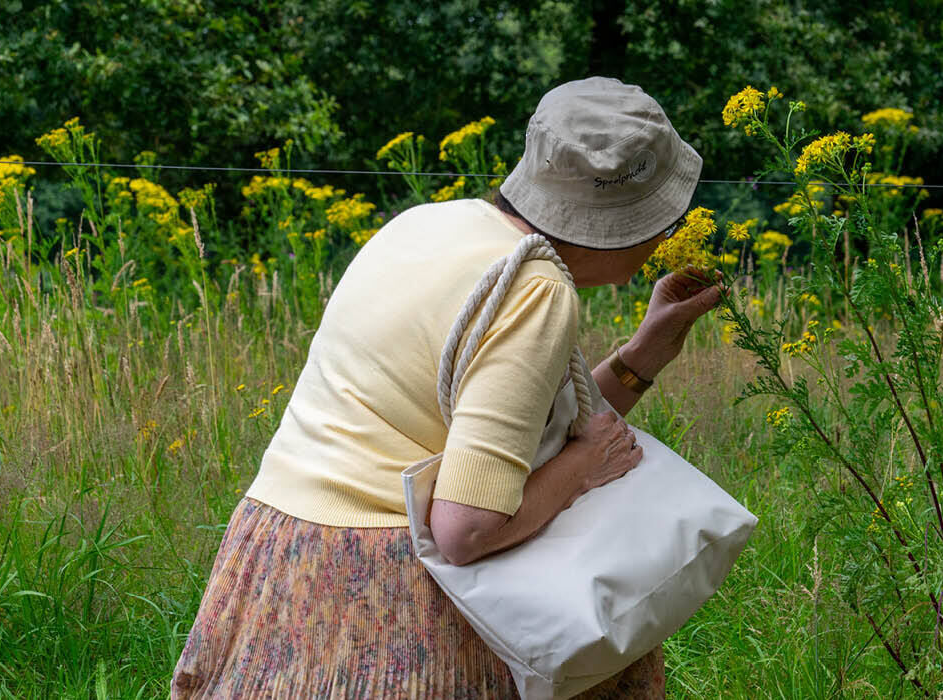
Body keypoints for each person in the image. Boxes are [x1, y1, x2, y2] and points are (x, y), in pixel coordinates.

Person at [171, 76, 727, 699]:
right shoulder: (536, 287)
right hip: (392, 587)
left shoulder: (429, 225)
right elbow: (465, 531)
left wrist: (645, 352)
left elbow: (504, 429)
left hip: (283, 556)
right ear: (626, 224)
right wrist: (583, 467)